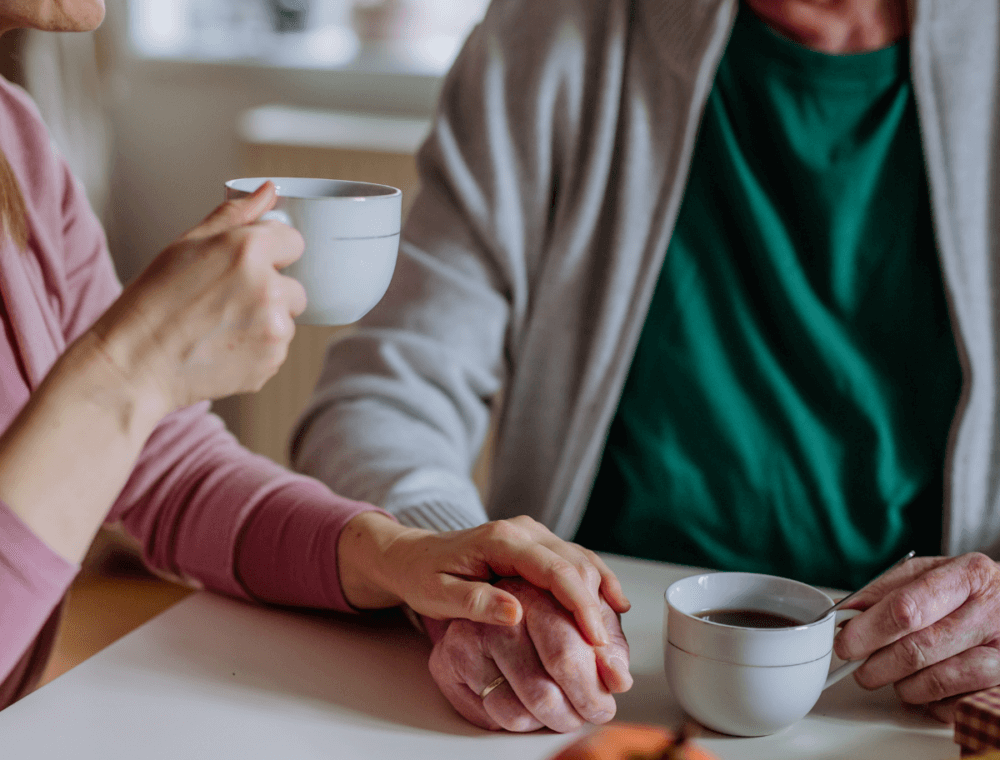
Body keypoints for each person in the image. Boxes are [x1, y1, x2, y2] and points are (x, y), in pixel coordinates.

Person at [293, 0, 1000, 730]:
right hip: (591, 690)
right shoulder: (547, 36)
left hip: (920, 717)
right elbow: (380, 397)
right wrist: (469, 578)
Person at [0, 0, 630, 712]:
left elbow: (163, 471)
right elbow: (121, 418)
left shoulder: (15, 140)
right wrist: (130, 370)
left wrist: (394, 555)